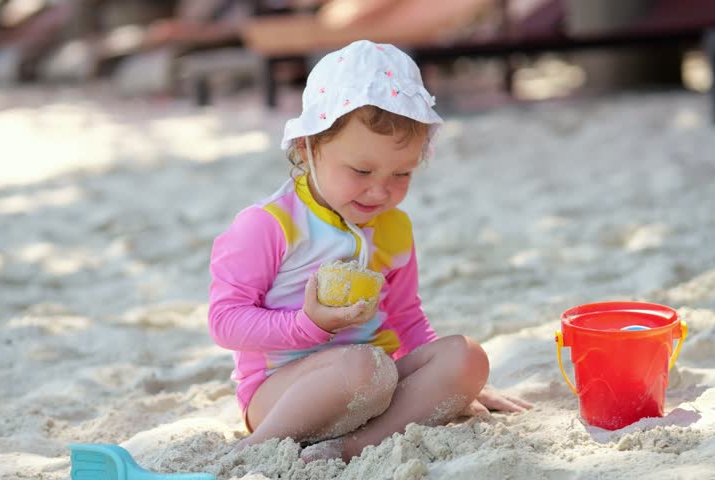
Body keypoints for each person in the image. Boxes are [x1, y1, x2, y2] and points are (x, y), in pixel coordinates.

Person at [208, 39, 530, 463]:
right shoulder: (269, 225)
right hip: (281, 394)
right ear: (308, 148)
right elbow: (224, 322)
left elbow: (406, 316)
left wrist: (456, 384)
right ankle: (258, 447)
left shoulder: (394, 228)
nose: (381, 190)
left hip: (375, 384)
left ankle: (348, 448)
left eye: (402, 173)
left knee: (466, 357)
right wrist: (308, 325)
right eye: (361, 170)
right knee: (368, 369)